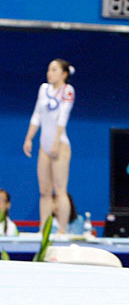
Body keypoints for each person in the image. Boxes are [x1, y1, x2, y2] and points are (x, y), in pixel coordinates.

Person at [23, 59, 75, 234]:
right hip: (44, 146)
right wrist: (29, 138)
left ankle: (62, 230)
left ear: (64, 74)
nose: (49, 73)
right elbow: (37, 115)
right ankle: (43, 230)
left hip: (60, 144)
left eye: (54, 70)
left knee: (60, 189)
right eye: (48, 69)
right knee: (44, 191)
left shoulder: (68, 90)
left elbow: (63, 117)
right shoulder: (43, 89)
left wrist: (56, 142)